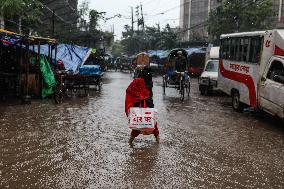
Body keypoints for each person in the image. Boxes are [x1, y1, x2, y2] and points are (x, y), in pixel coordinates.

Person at [125, 66, 160, 145]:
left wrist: (139, 98)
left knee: (137, 122)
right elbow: (149, 93)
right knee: (152, 123)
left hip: (138, 103)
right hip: (149, 104)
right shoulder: (150, 81)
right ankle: (159, 143)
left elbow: (130, 90)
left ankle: (130, 143)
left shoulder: (137, 80)